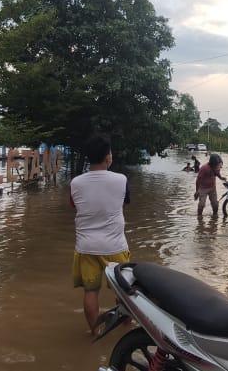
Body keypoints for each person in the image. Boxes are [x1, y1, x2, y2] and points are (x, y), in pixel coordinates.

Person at [70, 136, 130, 336]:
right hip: (116, 246)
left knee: (91, 291)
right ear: (107, 157)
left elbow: (74, 206)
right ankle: (126, 331)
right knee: (124, 290)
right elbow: (124, 203)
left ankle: (95, 333)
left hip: (86, 247)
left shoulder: (75, 182)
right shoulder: (121, 180)